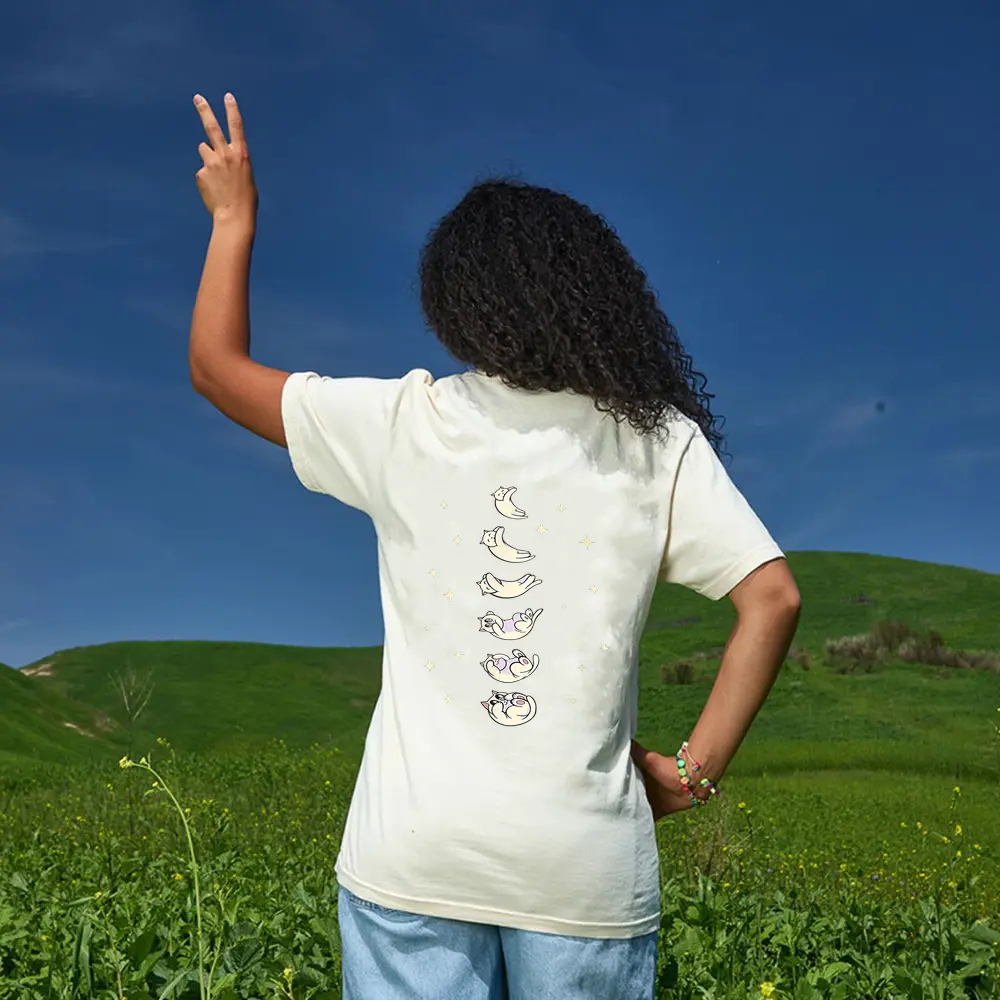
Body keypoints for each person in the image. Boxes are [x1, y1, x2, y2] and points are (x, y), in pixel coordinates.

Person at [188, 93, 802, 1000]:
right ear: (598, 295)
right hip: (581, 869)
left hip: (413, 857)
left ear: (456, 308)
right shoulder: (655, 439)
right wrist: (692, 774)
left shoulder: (405, 421)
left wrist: (233, 218)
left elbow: (216, 369)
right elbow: (772, 598)